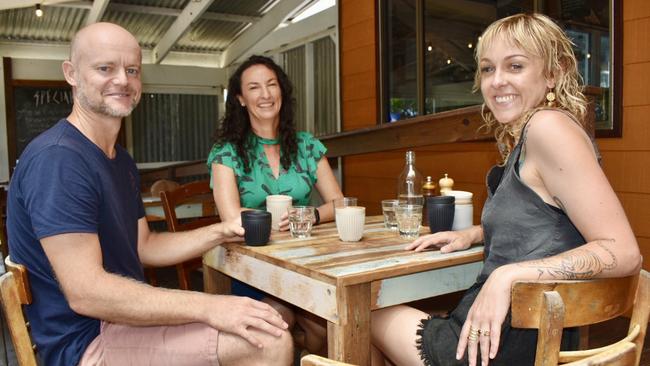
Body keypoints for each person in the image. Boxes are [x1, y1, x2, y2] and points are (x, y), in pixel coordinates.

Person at [6, 22, 293, 366]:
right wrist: (210, 306)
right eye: (104, 68)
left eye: (131, 70)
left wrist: (222, 230)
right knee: (267, 340)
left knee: (272, 316)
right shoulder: (58, 159)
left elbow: (145, 246)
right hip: (88, 343)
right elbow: (87, 293)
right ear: (71, 74)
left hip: (125, 325)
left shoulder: (119, 159)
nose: (123, 80)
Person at [370, 13, 641, 366]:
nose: (497, 81)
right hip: (523, 336)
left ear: (553, 74)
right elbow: (554, 224)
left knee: (367, 315)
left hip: (504, 344)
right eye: (487, 69)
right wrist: (475, 234)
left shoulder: (548, 128)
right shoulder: (537, 133)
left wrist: (509, 273)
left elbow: (623, 252)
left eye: (515, 66)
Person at [207, 55, 344, 354]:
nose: (266, 94)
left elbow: (340, 203)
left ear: (282, 91)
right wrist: (273, 220)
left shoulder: (307, 145)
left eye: (271, 85)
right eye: (254, 88)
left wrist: (312, 214)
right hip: (252, 266)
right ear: (241, 99)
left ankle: (302, 355)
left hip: (306, 263)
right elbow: (230, 215)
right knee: (278, 321)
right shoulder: (226, 152)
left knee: (326, 329)